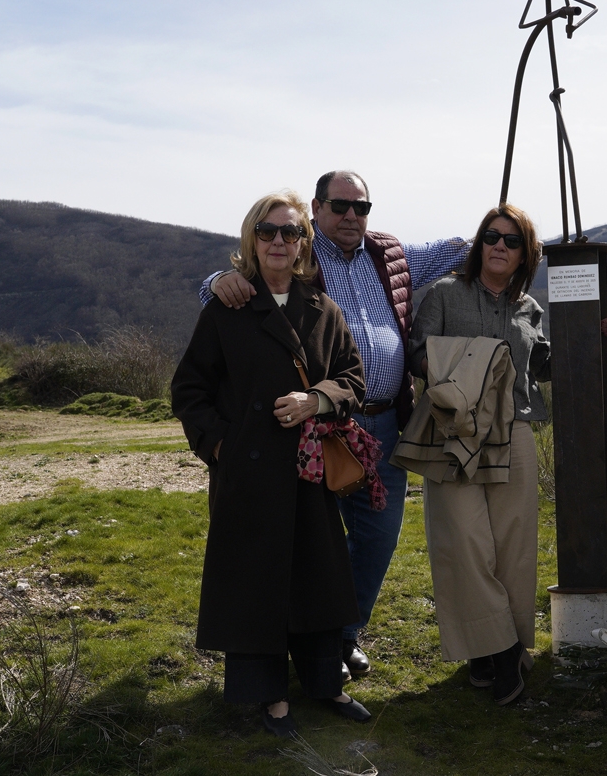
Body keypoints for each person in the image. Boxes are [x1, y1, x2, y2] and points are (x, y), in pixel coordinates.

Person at [198, 171, 469, 680]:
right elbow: (233, 288)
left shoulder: (390, 254)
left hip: (384, 422)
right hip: (314, 428)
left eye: (361, 207)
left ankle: (342, 636)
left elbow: (459, 251)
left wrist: (524, 240)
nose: (351, 217)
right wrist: (214, 280)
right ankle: (305, 648)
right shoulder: (297, 248)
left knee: (378, 538)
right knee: (309, 543)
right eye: (340, 206)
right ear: (317, 209)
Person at [171, 191, 375, 737]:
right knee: (255, 583)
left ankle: (324, 684)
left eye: (290, 232)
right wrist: (221, 448)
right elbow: (189, 390)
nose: (279, 242)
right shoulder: (226, 309)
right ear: (251, 240)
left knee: (318, 578)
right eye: (268, 232)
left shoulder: (322, 310)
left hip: (309, 475)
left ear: (306, 242)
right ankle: (268, 696)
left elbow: (354, 379)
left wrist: (319, 399)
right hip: (249, 474)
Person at [405, 204, 607, 705]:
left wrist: (590, 331)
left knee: (513, 548)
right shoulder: (443, 294)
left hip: (516, 429)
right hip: (452, 428)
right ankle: (503, 653)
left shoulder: (529, 307)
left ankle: (493, 652)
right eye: (491, 236)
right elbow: (417, 353)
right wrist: (465, 369)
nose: (500, 246)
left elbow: (542, 364)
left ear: (527, 252)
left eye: (512, 240)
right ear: (480, 243)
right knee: (466, 543)